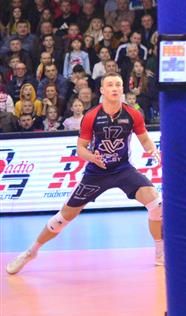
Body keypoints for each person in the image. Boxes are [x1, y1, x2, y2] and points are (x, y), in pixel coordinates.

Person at [6, 73, 163, 275]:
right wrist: (92, 157)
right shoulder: (91, 116)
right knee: (63, 218)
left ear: (122, 89)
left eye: (118, 84)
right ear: (102, 90)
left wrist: (153, 150)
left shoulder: (133, 114)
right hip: (96, 173)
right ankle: (31, 251)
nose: (115, 88)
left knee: (156, 204)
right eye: (110, 85)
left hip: (123, 169)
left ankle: (160, 251)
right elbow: (81, 149)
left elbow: (145, 140)